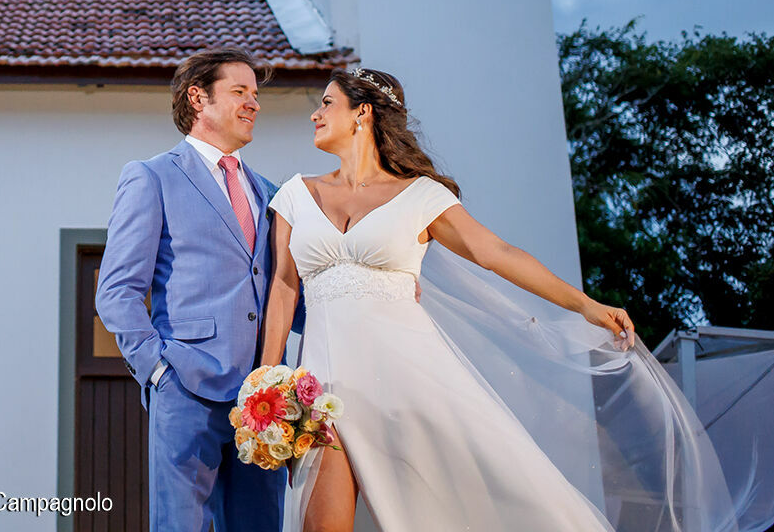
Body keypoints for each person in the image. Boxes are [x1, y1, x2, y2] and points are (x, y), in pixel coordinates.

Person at [260, 67, 732, 532]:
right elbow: (284, 287)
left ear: (361, 113)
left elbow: (495, 253)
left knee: (455, 509)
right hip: (321, 389)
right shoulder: (296, 194)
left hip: (407, 379)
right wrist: (265, 376)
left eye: (326, 103)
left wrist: (584, 304)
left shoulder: (421, 196)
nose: (314, 115)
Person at [95, 48, 288, 532]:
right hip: (186, 386)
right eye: (240, 92)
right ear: (198, 97)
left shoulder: (269, 189)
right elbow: (117, 290)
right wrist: (157, 370)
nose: (254, 104)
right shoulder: (152, 176)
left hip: (261, 400)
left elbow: (282, 288)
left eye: (256, 95)